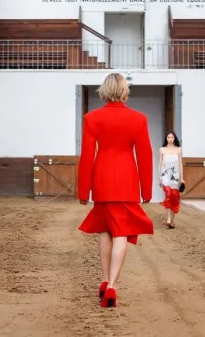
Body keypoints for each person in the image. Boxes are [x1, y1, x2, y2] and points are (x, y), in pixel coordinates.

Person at [77, 73, 154, 308]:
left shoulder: (92, 118)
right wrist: (147, 189)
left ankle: (104, 280)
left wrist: (83, 190)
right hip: (127, 178)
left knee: (105, 230)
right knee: (121, 231)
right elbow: (145, 154)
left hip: (102, 177)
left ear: (104, 90)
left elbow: (87, 155)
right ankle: (112, 285)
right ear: (124, 91)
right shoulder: (139, 118)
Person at [159, 131, 184, 228]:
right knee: (168, 195)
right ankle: (169, 218)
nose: (170, 139)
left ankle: (172, 220)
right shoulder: (162, 150)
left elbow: (180, 164)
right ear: (166, 138)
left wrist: (182, 178)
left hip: (175, 176)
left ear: (174, 138)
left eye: (172, 137)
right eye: (168, 137)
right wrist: (159, 178)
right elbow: (160, 164)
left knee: (174, 197)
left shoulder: (179, 149)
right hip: (165, 175)